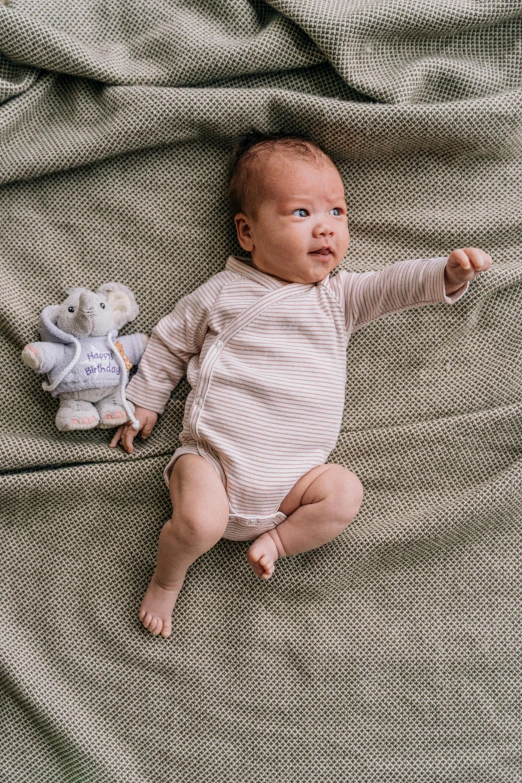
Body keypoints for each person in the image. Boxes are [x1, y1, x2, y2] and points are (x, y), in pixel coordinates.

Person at [109, 129, 492, 639]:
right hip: (214, 465)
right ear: (248, 233)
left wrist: (445, 274)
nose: (326, 230)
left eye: (337, 212)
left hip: (292, 487)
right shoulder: (223, 293)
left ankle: (279, 543)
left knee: (344, 493)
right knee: (199, 524)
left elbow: (391, 285)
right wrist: (146, 397)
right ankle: (166, 580)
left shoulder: (339, 297)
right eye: (301, 213)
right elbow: (170, 341)